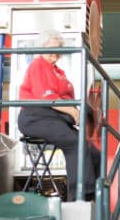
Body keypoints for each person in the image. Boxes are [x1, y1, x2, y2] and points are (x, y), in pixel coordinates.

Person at [18, 30, 100, 201]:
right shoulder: (38, 64)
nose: (55, 51)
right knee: (75, 143)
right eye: (52, 47)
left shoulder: (59, 72)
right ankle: (80, 196)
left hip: (56, 116)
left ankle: (96, 194)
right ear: (42, 48)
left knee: (93, 152)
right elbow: (46, 95)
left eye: (58, 48)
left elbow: (68, 97)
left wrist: (76, 111)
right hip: (36, 117)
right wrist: (71, 111)